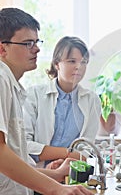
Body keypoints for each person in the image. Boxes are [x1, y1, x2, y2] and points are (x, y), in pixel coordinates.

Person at [0, 8, 93, 195]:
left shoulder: (12, 85)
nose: (37, 49)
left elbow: (17, 163)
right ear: (2, 48)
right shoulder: (1, 79)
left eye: (36, 42)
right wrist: (57, 189)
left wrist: (57, 175)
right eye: (28, 43)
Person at [24, 36, 101, 168]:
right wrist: (67, 153)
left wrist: (63, 162)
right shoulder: (34, 95)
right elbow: (24, 144)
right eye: (72, 61)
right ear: (56, 63)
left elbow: (87, 149)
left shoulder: (92, 100)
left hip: (72, 174)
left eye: (83, 62)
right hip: (36, 175)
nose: (79, 67)